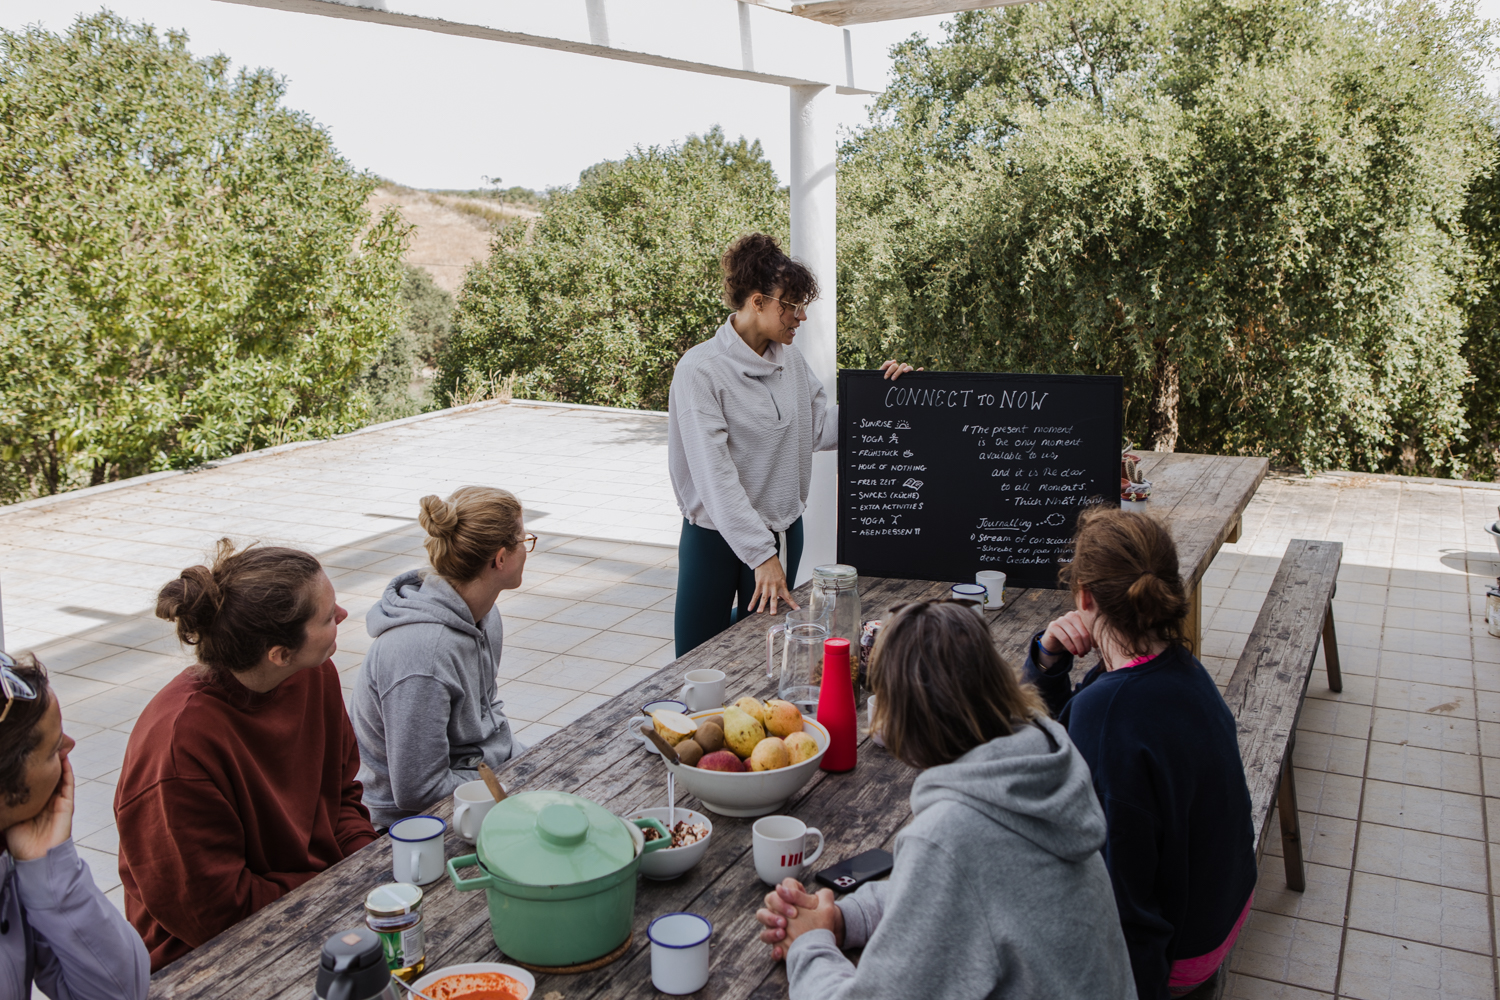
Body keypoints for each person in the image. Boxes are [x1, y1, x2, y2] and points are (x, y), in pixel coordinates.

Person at [754, 600, 1136, 1000]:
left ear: (898, 714)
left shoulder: (951, 834)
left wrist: (809, 944)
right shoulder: (1038, 765)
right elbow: (957, 896)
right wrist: (843, 918)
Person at [1022, 508, 1256, 1000]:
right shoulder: (1176, 665)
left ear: (1084, 596)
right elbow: (1067, 742)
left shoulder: (1108, 710)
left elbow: (1121, 896)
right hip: (1221, 904)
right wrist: (1048, 658)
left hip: (1180, 951)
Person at [115, 541, 378, 971]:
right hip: (211, 957)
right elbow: (213, 912)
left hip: (322, 900)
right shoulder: (180, 747)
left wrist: (370, 865)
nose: (343, 615)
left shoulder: (313, 672)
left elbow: (341, 794)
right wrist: (334, 890)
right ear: (279, 654)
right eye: (328, 616)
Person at [668, 232, 915, 656]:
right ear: (757, 301)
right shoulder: (700, 370)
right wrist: (761, 556)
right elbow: (714, 477)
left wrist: (881, 397)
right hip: (713, 537)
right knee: (694, 654)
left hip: (782, 529)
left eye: (802, 305)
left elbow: (818, 429)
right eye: (791, 305)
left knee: (759, 648)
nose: (800, 316)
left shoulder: (791, 361)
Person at [352, 487, 529, 829]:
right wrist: (514, 781)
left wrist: (529, 762)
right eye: (525, 541)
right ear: (500, 559)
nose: (527, 550)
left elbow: (488, 715)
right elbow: (420, 790)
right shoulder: (422, 656)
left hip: (479, 779)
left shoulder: (484, 616)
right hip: (411, 824)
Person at [0, 651, 149, 998]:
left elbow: (119, 992)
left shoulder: (11, 860)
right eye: (54, 749)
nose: (69, 746)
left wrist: (52, 873)